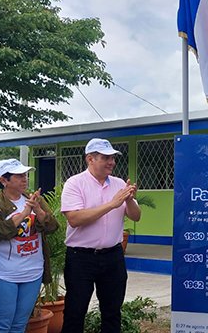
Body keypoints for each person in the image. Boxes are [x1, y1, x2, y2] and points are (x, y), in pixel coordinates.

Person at [60, 138, 141, 333]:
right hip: (81, 258)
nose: (111, 162)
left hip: (113, 256)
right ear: (90, 159)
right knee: (75, 311)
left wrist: (128, 200)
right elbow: (75, 218)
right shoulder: (75, 183)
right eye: (106, 158)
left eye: (113, 158)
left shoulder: (119, 183)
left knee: (112, 312)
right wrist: (112, 204)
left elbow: (136, 216)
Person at [0, 159, 59, 333]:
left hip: (32, 274)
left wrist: (39, 211)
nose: (24, 179)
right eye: (18, 175)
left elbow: (53, 227)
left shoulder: (34, 199)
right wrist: (23, 215)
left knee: (19, 326)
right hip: (0, 274)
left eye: (25, 175)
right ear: (4, 180)